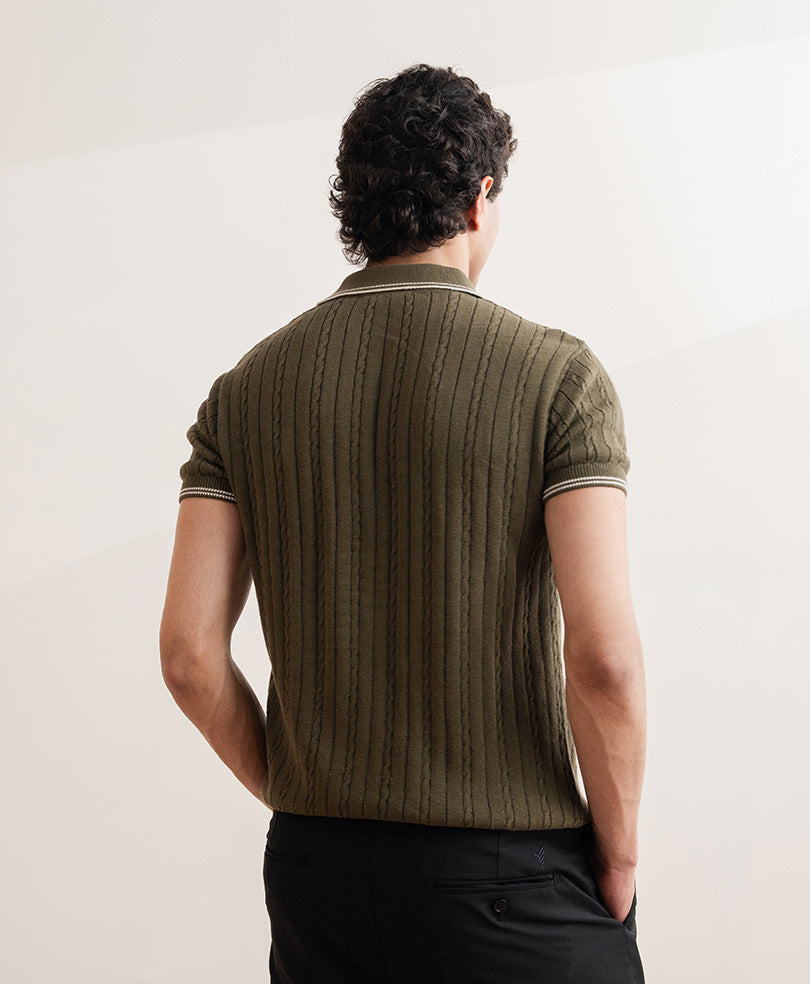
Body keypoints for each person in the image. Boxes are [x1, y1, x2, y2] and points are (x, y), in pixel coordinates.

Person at [160, 62, 647, 983]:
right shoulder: (558, 379)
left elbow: (188, 657)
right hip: (511, 883)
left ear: (358, 205)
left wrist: (301, 795)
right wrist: (617, 856)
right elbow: (605, 660)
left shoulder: (244, 391)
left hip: (319, 881)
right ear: (480, 198)